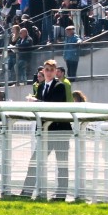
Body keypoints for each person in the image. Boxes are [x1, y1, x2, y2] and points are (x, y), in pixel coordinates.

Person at [23, 59, 71, 200]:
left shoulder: (60, 86)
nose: (49, 72)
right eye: (47, 70)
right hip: (45, 132)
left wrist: (36, 101)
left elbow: (53, 105)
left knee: (62, 164)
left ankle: (61, 196)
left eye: (51, 70)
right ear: (43, 71)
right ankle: (26, 193)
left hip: (60, 131)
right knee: (34, 162)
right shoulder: (41, 86)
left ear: (55, 72)